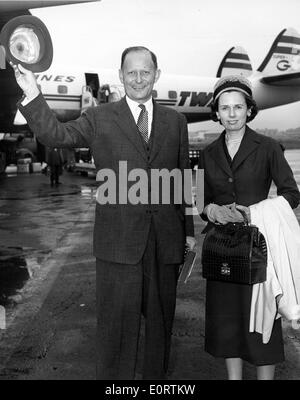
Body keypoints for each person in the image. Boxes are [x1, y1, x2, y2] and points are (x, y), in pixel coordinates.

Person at [12, 46, 195, 380]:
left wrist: (188, 232)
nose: (138, 79)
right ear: (120, 75)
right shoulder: (99, 117)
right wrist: (32, 93)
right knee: (116, 333)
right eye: (131, 72)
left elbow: (181, 178)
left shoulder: (176, 121)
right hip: (118, 244)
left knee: (160, 328)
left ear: (157, 74)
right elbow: (56, 135)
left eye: (145, 72)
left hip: (164, 242)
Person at [198, 75, 300, 380]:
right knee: (228, 320)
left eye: (238, 107)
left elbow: (291, 193)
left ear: (249, 110)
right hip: (221, 250)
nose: (231, 114)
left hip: (257, 248)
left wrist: (253, 213)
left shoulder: (268, 147)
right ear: (216, 112)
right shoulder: (207, 153)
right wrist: (211, 210)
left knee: (262, 319)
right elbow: (203, 204)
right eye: (225, 108)